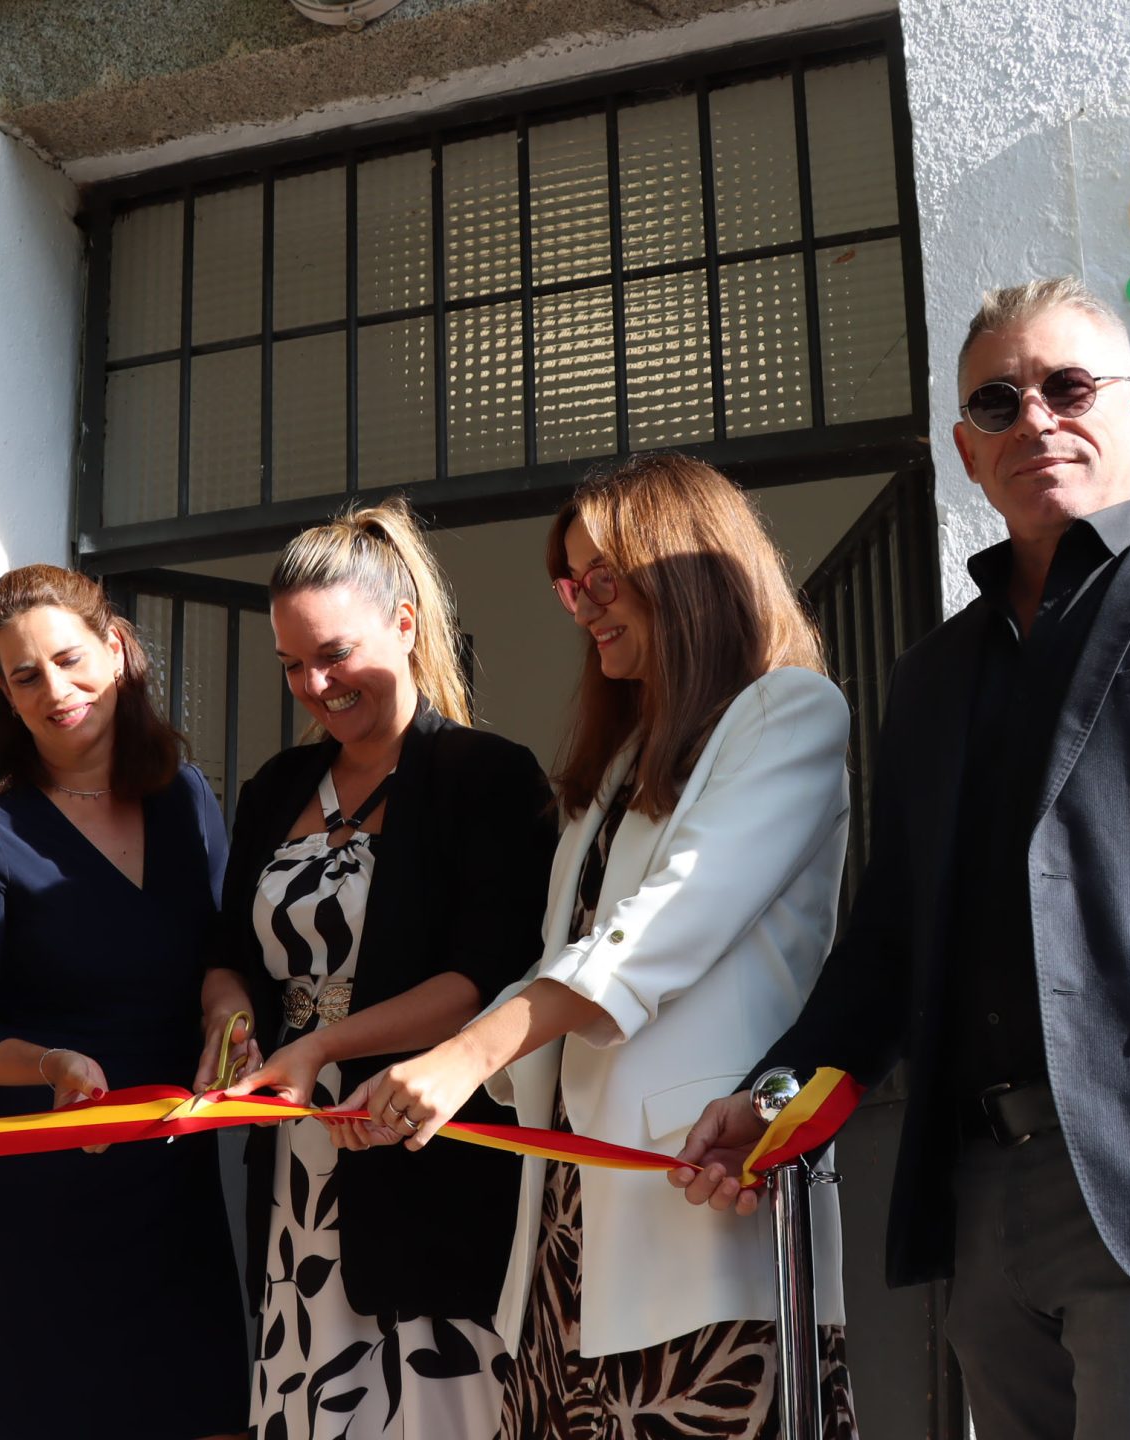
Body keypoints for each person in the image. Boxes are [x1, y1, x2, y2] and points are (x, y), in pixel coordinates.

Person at [671, 277, 1130, 1440]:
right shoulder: (933, 676)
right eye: (995, 402)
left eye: (1068, 387)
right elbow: (885, 949)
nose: (1035, 418)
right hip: (981, 1205)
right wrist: (768, 1100)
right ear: (967, 455)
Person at [351, 456, 857, 1439]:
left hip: (703, 1219)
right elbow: (562, 958)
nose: (580, 605)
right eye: (568, 583)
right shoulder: (624, 757)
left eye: (602, 579)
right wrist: (439, 1080)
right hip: (567, 1226)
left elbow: (660, 929)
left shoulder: (789, 711)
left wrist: (467, 1053)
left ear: (685, 575)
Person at [205, 498, 555, 1440]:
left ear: (404, 626)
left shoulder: (488, 775)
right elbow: (231, 955)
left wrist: (324, 1044)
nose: (315, 684)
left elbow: (482, 977)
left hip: (425, 1148)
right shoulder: (274, 787)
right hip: (297, 1156)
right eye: (291, 665)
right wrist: (231, 1022)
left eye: (334, 654)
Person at [0, 565, 248, 1440]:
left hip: (171, 1172)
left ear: (114, 649)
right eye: (26, 675)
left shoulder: (184, 795)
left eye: (70, 660)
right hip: (39, 1190)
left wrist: (225, 1010)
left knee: (207, 1413)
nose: (56, 691)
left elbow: (220, 951)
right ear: (5, 690)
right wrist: (49, 1068)